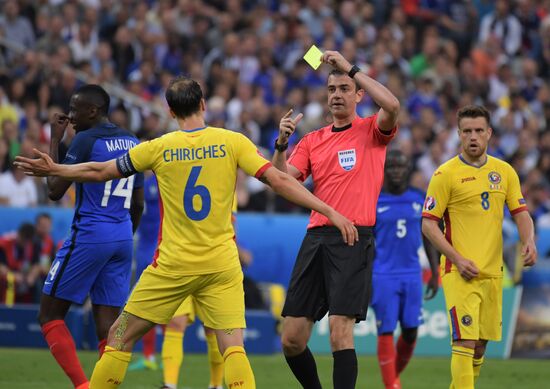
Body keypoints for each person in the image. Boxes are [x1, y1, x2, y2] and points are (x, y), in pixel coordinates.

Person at [15, 75, 358, 389]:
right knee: (233, 348)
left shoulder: (158, 147)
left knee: (119, 337)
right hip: (221, 266)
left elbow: (101, 170)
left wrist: (58, 167)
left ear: (169, 110)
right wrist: (328, 210)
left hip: (173, 265)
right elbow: (280, 180)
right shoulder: (231, 142)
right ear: (203, 105)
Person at [271, 50, 400, 389]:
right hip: (316, 238)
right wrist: (282, 145)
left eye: (344, 88)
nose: (337, 95)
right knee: (292, 339)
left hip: (353, 238)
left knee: (340, 332)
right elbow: (283, 180)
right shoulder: (313, 140)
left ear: (358, 94)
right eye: (332, 89)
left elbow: (393, 106)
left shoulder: (372, 130)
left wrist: (349, 68)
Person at [36, 84, 144, 389]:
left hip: (90, 234)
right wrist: (121, 236)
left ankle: (84, 386)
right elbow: (139, 204)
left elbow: (55, 190)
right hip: (122, 236)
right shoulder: (132, 141)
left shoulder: (85, 139)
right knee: (108, 329)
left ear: (93, 110)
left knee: (49, 315)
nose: (70, 116)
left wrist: (56, 140)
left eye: (75, 109)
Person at [421, 105, 537, 389]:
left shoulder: (504, 172)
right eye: (467, 131)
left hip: (492, 272)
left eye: (478, 131)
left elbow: (520, 212)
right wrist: (457, 259)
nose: (473, 136)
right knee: (464, 340)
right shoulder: (445, 174)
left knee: (480, 347)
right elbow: (428, 225)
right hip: (458, 271)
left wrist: (529, 240)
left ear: (489, 133)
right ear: (459, 134)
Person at [371, 150, 440, 389]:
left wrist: (435, 270)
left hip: (412, 275)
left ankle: (392, 378)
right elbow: (365, 242)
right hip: (383, 275)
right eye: (391, 167)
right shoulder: (374, 200)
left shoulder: (419, 198)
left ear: (408, 170)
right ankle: (392, 385)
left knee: (411, 331)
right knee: (386, 329)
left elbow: (430, 236)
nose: (396, 172)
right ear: (384, 170)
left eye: (400, 167)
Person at [0, 223, 41, 304]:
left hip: (25, 276)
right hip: (8, 275)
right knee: (10, 281)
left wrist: (31, 276)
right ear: (18, 234)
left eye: (27, 241)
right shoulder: (5, 243)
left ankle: (36, 312)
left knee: (38, 284)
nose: (25, 243)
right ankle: (8, 309)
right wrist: (13, 275)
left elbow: (36, 265)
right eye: (23, 240)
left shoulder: (34, 244)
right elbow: (1, 266)